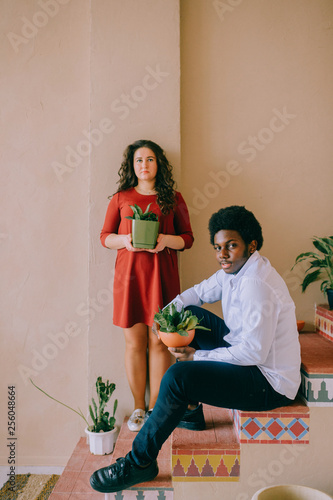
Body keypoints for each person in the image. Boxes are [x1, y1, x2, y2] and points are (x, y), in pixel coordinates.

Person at [91, 205, 301, 493]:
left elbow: (253, 354)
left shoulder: (256, 283)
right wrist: (164, 316)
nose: (223, 254)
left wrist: (197, 356)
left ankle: (140, 462)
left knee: (179, 378)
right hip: (250, 357)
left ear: (251, 245)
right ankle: (189, 410)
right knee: (191, 313)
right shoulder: (234, 270)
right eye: (218, 247)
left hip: (268, 382)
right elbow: (198, 294)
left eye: (231, 246)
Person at [100, 139, 194, 432]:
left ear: (159, 164)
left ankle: (155, 407)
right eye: (139, 160)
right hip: (128, 279)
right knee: (134, 343)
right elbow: (104, 236)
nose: (144, 165)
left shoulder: (173, 197)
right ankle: (138, 408)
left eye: (150, 159)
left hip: (162, 278)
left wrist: (166, 240)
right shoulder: (120, 198)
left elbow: (188, 239)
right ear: (132, 166)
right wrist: (125, 240)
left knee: (159, 341)